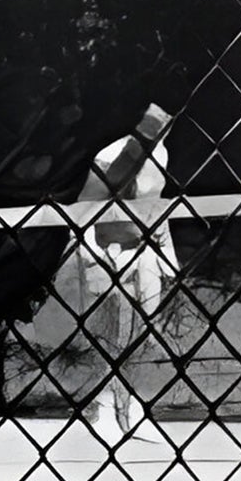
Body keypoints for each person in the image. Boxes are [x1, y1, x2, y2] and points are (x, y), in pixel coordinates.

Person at [70, 104, 178, 443]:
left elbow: (156, 208)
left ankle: (128, 408)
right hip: (109, 254)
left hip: (144, 254)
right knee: (110, 335)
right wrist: (88, 252)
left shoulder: (161, 153)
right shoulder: (113, 151)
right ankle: (103, 407)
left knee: (139, 335)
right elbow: (87, 205)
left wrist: (168, 258)